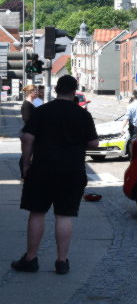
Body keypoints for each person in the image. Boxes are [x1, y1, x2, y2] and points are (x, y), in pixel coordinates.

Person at [12, 75, 99, 275]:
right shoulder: (82, 115)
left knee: (37, 213)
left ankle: (31, 258)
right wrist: (76, 145)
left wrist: (26, 163)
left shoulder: (42, 111)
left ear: (57, 89)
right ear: (74, 91)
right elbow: (94, 143)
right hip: (72, 171)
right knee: (64, 216)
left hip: (42, 168)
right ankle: (61, 262)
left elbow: (27, 137)